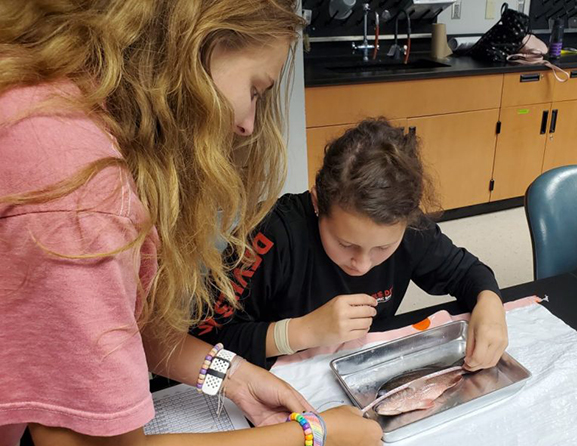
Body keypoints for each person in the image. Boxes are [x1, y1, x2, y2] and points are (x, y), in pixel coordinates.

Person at [0, 2, 382, 446]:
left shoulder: (58, 105)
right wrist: (311, 439)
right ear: (201, 42)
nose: (248, 125)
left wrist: (231, 375)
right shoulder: (80, 189)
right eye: (255, 89)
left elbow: (122, 321)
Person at [196, 118, 509, 371]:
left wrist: (491, 308)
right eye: (345, 244)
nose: (362, 264)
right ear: (318, 203)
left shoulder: (410, 230)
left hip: (357, 371)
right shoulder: (272, 235)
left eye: (382, 249)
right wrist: (301, 332)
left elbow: (469, 273)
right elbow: (204, 337)